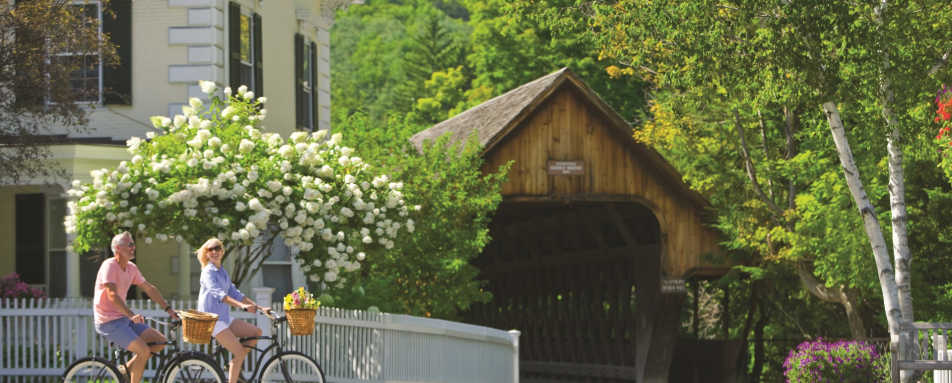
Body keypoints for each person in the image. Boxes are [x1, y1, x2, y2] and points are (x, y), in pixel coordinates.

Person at [93, 231, 180, 383]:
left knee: (159, 342)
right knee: (143, 350)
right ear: (118, 249)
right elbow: (112, 295)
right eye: (130, 244)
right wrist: (131, 315)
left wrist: (169, 310)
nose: (133, 247)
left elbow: (149, 289)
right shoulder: (109, 266)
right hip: (108, 322)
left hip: (123, 319)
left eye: (133, 244)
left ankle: (125, 369)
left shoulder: (131, 268)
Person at [196, 238, 270, 383]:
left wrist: (261, 308)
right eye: (210, 249)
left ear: (222, 251)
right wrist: (242, 307)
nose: (214, 252)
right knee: (240, 353)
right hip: (212, 320)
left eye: (217, 248)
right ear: (206, 254)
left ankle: (235, 363)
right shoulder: (208, 272)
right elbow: (220, 295)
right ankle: (235, 368)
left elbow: (236, 294)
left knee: (256, 333)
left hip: (223, 318)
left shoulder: (222, 271)